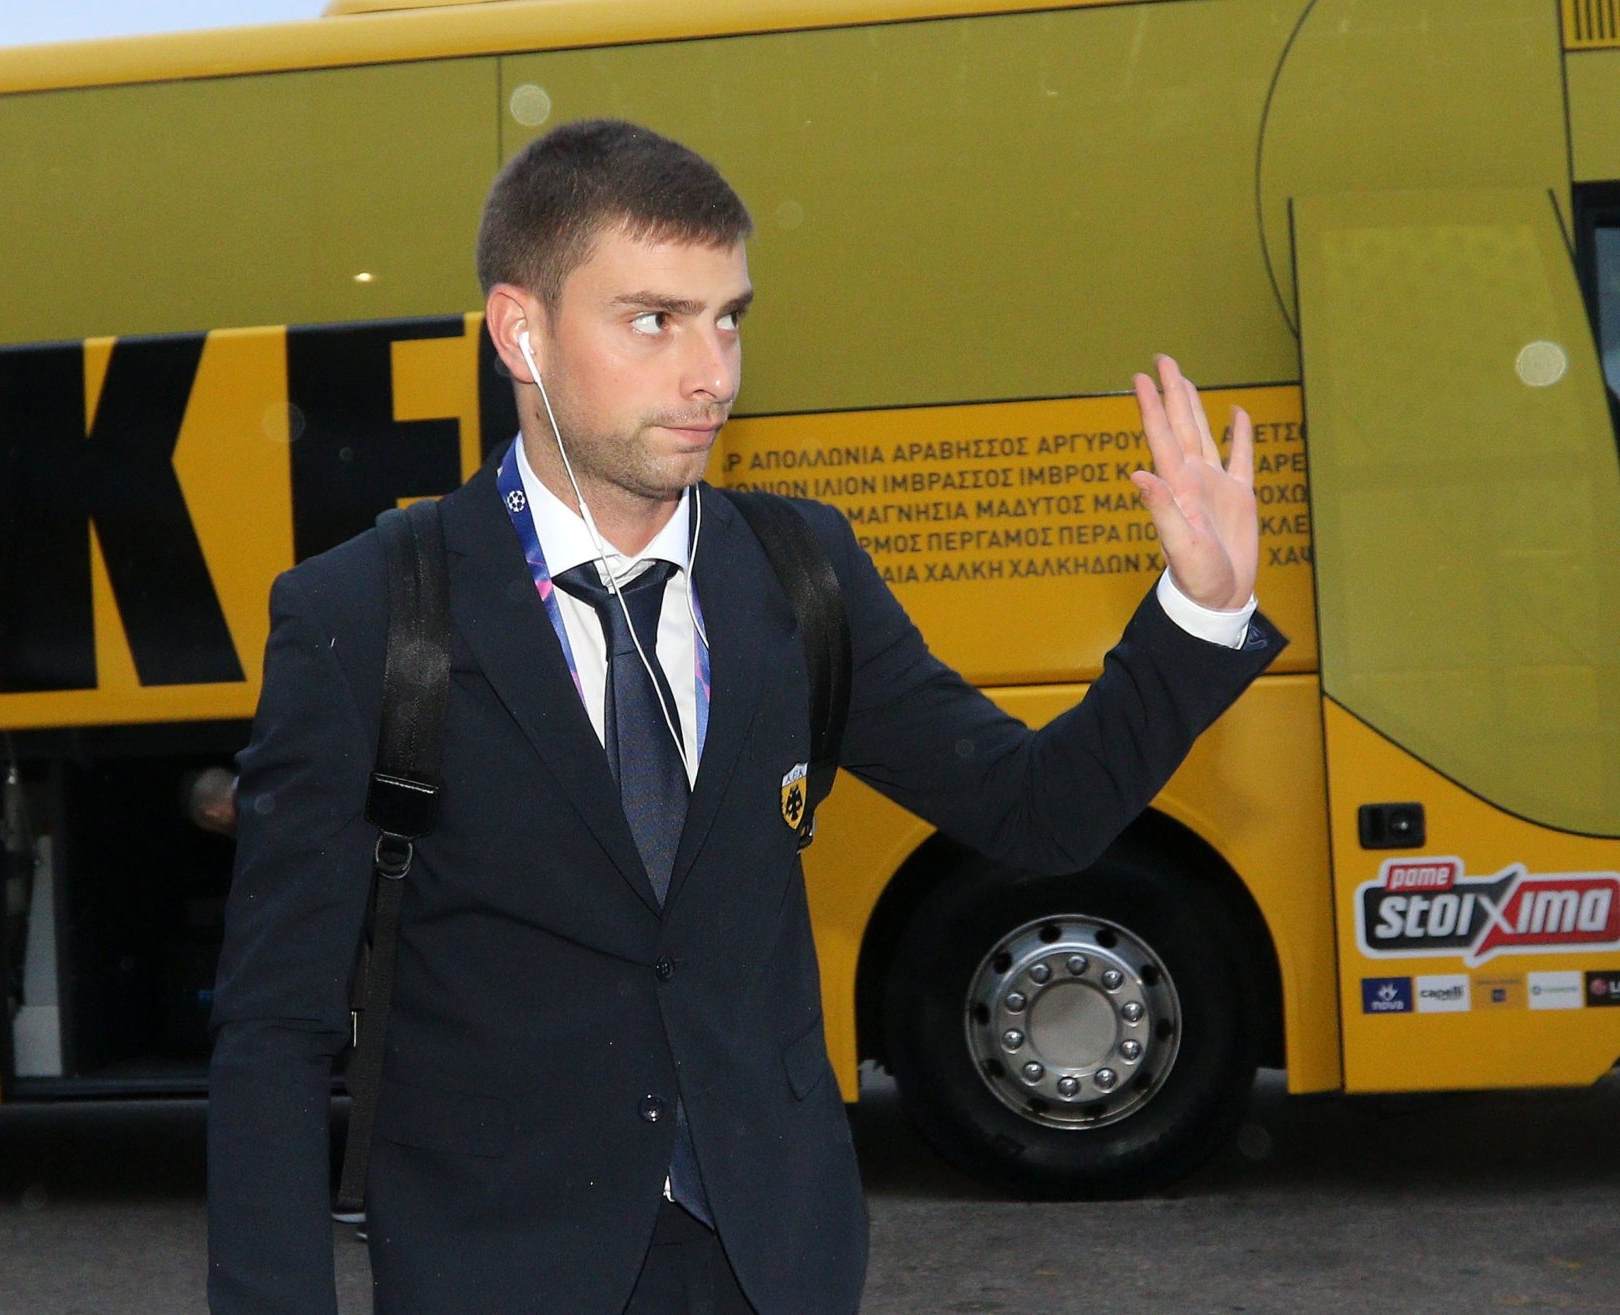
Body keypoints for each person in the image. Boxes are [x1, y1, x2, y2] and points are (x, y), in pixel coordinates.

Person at [207, 118, 1286, 1315]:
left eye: (728, 319)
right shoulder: (364, 613)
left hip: (773, 1262)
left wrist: (1199, 613)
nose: (711, 374)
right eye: (654, 320)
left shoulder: (799, 573)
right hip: (500, 1265)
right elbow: (275, 1029)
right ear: (520, 331)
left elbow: (1035, 812)